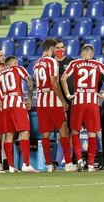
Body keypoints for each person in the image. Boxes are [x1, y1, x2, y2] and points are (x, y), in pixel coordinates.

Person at [61, 44, 104, 172]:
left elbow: (63, 78)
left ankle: (80, 159)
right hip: (92, 102)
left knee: (75, 131)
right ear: (92, 54)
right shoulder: (98, 64)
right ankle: (91, 165)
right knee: (92, 133)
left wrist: (69, 95)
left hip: (78, 101)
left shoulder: (75, 63)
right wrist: (103, 94)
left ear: (82, 53)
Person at [0, 56, 38, 173]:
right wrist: (29, 98)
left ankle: (10, 166)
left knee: (9, 135)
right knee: (24, 132)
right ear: (14, 63)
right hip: (17, 104)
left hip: (5, 105)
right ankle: (26, 164)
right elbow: (29, 81)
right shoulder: (18, 69)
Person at [33, 38, 74, 172]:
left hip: (40, 101)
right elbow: (54, 83)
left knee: (45, 134)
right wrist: (62, 101)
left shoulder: (36, 63)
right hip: (52, 101)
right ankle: (68, 163)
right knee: (64, 130)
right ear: (52, 49)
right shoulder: (52, 61)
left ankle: (49, 165)